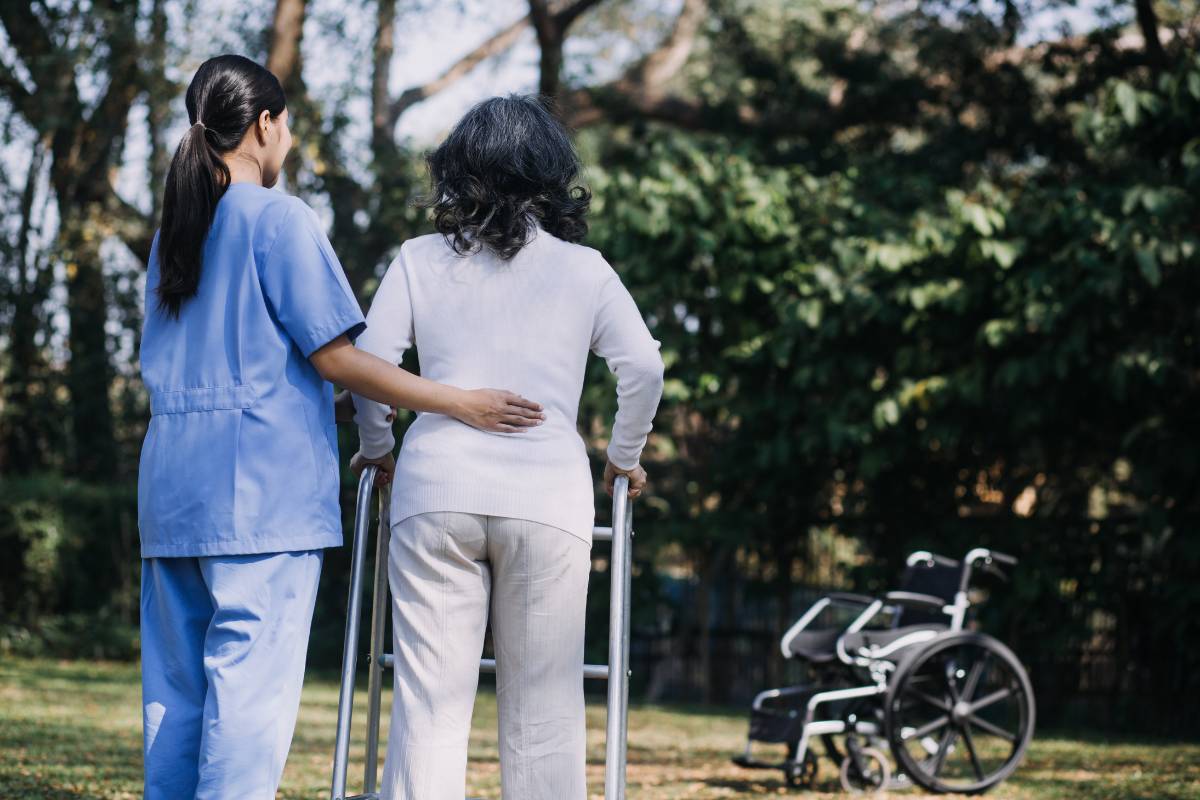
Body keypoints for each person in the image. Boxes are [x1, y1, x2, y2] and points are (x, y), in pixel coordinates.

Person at [137, 55, 544, 800]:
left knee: (175, 698)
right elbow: (337, 358)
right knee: (246, 703)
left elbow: (237, 369)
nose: (286, 139)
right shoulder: (279, 218)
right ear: (265, 125)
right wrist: (458, 402)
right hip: (259, 501)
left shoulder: (176, 233)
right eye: (285, 125)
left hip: (171, 492)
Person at [350, 94, 665, 800]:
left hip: (435, 490)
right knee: (545, 712)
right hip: (548, 497)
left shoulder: (416, 259)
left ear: (459, 171)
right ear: (549, 173)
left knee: (429, 708)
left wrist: (378, 448)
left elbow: (372, 368)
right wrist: (622, 456)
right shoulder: (584, 269)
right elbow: (643, 367)